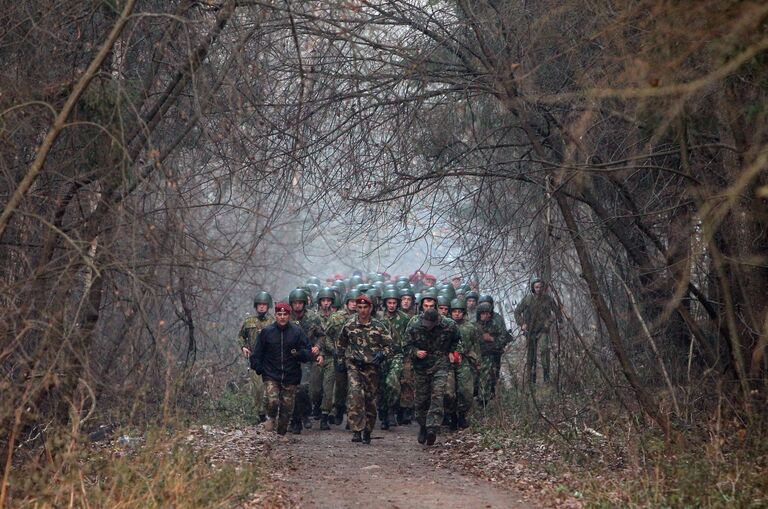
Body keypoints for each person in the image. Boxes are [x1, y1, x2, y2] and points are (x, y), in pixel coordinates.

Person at [249, 302, 321, 435]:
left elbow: (308, 351)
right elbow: (257, 353)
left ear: (289, 316)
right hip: (271, 374)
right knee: (273, 400)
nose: (282, 317)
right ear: (275, 315)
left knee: (287, 408)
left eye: (285, 314)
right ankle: (270, 417)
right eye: (279, 314)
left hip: (291, 375)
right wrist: (259, 368)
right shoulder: (267, 332)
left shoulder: (297, 332)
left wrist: (300, 354)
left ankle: (280, 434)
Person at [404, 295, 460, 446]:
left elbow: (457, 340)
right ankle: (423, 425)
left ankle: (432, 428)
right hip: (421, 367)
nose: (428, 326)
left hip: (440, 364)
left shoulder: (449, 325)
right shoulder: (414, 324)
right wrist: (415, 352)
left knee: (438, 395)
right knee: (421, 400)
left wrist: (451, 352)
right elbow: (406, 346)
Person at [336, 294, 393, 444]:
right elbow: (341, 344)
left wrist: (382, 354)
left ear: (370, 308)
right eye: (359, 307)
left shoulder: (378, 326)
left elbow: (390, 346)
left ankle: (368, 430)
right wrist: (341, 361)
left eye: (365, 307)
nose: (362, 310)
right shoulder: (349, 325)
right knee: (355, 395)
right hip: (354, 365)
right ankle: (356, 429)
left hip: (372, 368)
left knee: (370, 400)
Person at [288, 288, 326, 434]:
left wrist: (317, 347)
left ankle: (304, 414)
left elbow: (322, 335)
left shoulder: (313, 318)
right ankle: (295, 420)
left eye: (300, 303)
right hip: (289, 358)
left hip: (306, 358)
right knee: (291, 390)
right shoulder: (286, 317)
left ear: (304, 303)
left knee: (303, 388)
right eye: (295, 303)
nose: (297, 305)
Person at [237, 291, 275, 423]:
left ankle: (271, 412)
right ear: (256, 306)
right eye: (259, 305)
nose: (262, 307)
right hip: (255, 359)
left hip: (271, 360)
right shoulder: (249, 322)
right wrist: (243, 347)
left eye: (264, 305)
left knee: (270, 389)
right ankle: (258, 414)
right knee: (257, 388)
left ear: (268, 306)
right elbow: (241, 336)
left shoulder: (274, 321)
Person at [514, 278, 560, 384]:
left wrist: (549, 323)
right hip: (530, 331)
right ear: (533, 288)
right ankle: (531, 379)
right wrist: (522, 324)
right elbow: (517, 312)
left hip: (543, 329)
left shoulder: (548, 299)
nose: (538, 289)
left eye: (540, 287)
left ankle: (546, 377)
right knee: (531, 355)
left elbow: (557, 312)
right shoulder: (527, 299)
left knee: (544, 350)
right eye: (536, 287)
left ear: (543, 288)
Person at [326, 289, 360, 425]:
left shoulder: (362, 318)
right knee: (340, 386)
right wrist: (333, 349)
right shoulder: (336, 317)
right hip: (339, 357)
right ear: (346, 302)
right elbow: (327, 335)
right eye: (351, 301)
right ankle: (338, 409)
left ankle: (351, 418)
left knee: (354, 387)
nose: (353, 304)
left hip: (355, 358)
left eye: (355, 302)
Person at [379, 288, 411, 429]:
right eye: (389, 302)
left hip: (397, 355)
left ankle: (391, 410)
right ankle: (384, 413)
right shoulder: (378, 318)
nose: (391, 305)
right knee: (381, 386)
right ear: (385, 303)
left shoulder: (404, 318)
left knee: (392, 382)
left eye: (394, 302)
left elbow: (409, 337)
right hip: (380, 356)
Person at [448, 298, 481, 429]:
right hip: (448, 362)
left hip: (464, 362)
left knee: (466, 391)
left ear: (464, 313)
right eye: (454, 311)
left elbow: (476, 346)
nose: (457, 314)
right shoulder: (445, 326)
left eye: (459, 311)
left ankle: (462, 415)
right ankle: (452, 417)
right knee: (449, 392)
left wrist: (477, 362)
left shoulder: (470, 327)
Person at [475, 300, 513, 404]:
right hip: (477, 356)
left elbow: (503, 338)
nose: (486, 315)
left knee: (490, 377)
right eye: (483, 313)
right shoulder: (474, 326)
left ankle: (485, 401)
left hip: (492, 354)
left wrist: (491, 339)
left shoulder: (496, 322)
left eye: (488, 313)